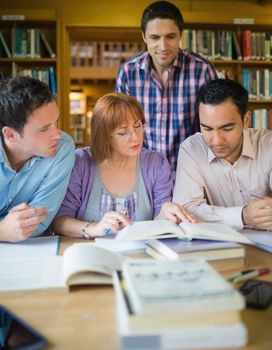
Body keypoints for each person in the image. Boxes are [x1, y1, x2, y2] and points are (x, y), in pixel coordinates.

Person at [53, 92, 195, 239]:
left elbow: (160, 223)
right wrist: (95, 228)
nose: (136, 137)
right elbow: (59, 222)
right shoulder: (80, 163)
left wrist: (165, 212)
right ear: (105, 135)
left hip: (141, 254)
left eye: (138, 126)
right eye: (123, 132)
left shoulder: (156, 164)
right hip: (90, 252)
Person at [115, 0, 217, 175]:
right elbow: (121, 129)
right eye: (155, 37)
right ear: (144, 36)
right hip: (142, 174)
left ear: (180, 35)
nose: (163, 46)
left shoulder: (202, 70)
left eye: (170, 36)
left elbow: (214, 127)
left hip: (193, 174)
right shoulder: (128, 73)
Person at [173, 78, 272, 231]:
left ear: (246, 120)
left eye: (227, 129)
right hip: (217, 249)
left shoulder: (268, 145)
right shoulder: (191, 149)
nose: (217, 141)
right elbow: (186, 210)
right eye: (207, 128)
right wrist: (243, 215)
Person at [0, 76, 75, 242]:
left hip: (34, 254)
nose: (57, 134)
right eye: (44, 129)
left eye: (56, 122)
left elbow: (38, 222)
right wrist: (2, 231)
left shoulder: (63, 148)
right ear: (11, 135)